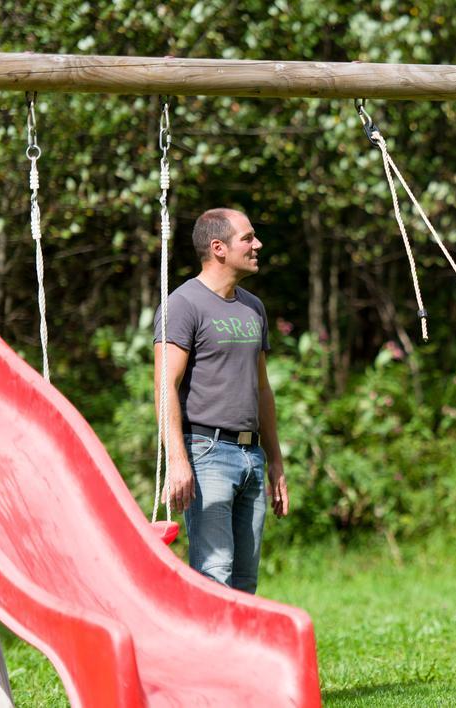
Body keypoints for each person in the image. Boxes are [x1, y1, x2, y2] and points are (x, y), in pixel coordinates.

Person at [153, 208, 288, 594]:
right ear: (219, 248)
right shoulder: (183, 305)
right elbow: (165, 386)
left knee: (245, 582)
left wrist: (275, 461)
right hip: (207, 452)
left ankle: (239, 657)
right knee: (214, 575)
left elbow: (262, 390)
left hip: (251, 455)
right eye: (248, 238)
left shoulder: (253, 307)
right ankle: (204, 656)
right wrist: (178, 460)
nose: (257, 245)